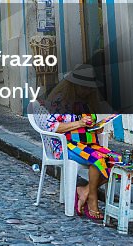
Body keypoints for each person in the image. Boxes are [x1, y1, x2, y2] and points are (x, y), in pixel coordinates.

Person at [40, 64, 118, 220]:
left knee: (116, 160)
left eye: (90, 88)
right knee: (98, 159)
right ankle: (93, 199)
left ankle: (86, 190)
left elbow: (89, 125)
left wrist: (97, 128)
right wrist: (79, 123)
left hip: (89, 144)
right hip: (66, 145)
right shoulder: (60, 101)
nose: (88, 91)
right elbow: (53, 127)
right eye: (85, 87)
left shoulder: (89, 102)